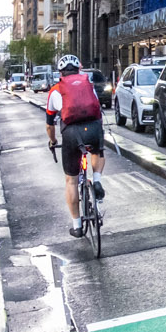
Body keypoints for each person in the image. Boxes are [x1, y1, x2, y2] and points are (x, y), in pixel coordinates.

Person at [43, 55, 106, 237]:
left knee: (71, 180)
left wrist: (53, 141)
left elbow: (49, 124)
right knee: (97, 153)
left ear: (60, 72)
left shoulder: (55, 90)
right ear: (79, 69)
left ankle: (77, 226)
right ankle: (97, 180)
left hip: (71, 134)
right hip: (93, 129)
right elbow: (98, 112)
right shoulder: (88, 85)